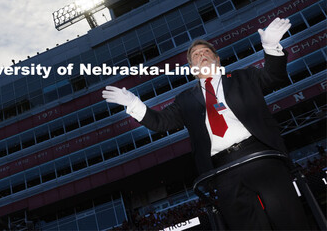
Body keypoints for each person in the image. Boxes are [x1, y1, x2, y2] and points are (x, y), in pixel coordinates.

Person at [102, 18, 310, 230]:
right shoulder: (184, 100)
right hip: (222, 170)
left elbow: (275, 77)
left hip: (261, 156)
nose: (201, 55)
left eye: (206, 53)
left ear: (217, 60)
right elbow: (160, 122)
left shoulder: (244, 77)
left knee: (290, 220)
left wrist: (271, 47)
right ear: (192, 69)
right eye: (196, 56)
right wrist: (133, 103)